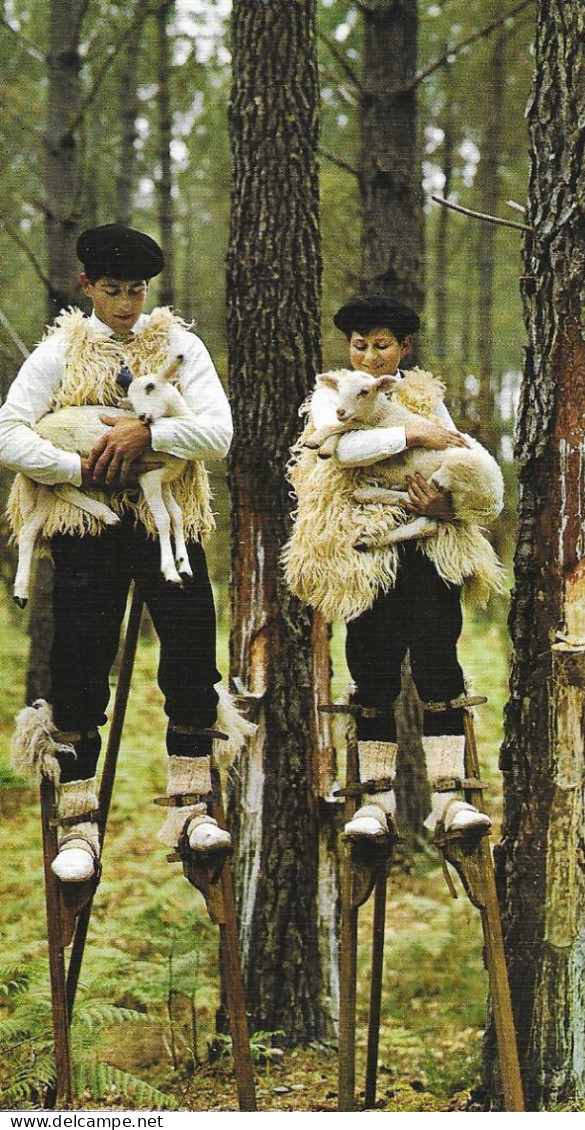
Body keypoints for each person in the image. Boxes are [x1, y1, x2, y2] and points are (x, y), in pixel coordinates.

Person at [0, 223, 237, 883]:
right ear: (87, 287)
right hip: (88, 529)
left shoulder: (179, 346)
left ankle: (192, 808)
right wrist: (78, 467)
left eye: (136, 291)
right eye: (113, 291)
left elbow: (216, 432)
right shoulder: (60, 353)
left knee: (191, 660)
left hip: (169, 527)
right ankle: (78, 828)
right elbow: (7, 433)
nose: (127, 306)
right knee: (79, 668)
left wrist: (148, 431)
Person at [283, 294, 506, 841]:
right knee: (372, 664)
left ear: (403, 348)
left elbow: (461, 451)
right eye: (359, 345)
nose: (368, 358)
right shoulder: (332, 392)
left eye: (381, 347)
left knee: (437, 658)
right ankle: (374, 802)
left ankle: (451, 798)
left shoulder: (424, 397)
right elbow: (343, 450)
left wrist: (446, 505)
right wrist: (413, 435)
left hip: (427, 550)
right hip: (365, 552)